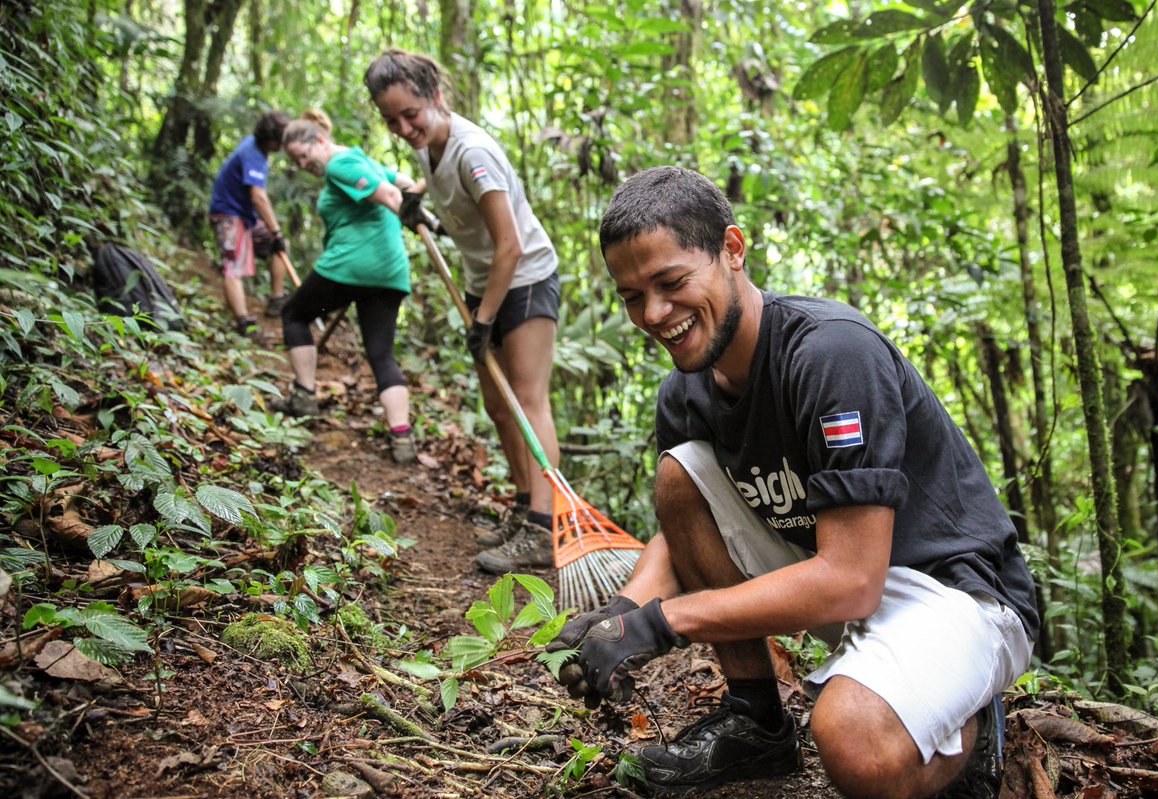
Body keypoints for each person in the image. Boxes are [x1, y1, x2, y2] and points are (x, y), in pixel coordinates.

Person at [549, 166, 1040, 799]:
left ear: (732, 249)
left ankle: (967, 726)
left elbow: (851, 580)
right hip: (834, 571)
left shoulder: (831, 354)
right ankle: (756, 721)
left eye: (671, 283)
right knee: (680, 477)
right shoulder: (685, 394)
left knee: (854, 745)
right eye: (632, 297)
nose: (654, 313)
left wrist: (665, 621)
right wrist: (625, 611)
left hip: (954, 594)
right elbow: (686, 528)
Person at [364, 50, 563, 572]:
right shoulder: (432, 145)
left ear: (435, 97)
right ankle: (523, 509)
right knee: (498, 407)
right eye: (392, 120)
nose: (404, 127)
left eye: (412, 114)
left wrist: (483, 320)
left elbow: (510, 245)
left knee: (527, 402)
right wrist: (416, 200)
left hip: (524, 282)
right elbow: (448, 191)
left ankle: (545, 530)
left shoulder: (476, 152)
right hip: (485, 288)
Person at [271, 110, 418, 465]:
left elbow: (393, 196)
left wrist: (412, 212)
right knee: (381, 353)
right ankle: (402, 439)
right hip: (390, 272)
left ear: (320, 140)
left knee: (294, 313)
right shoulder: (362, 160)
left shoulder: (340, 164)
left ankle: (304, 395)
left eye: (304, 155)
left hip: (349, 266)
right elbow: (408, 183)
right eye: (296, 161)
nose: (303, 164)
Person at [209, 111, 293, 335]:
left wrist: (276, 236)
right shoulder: (253, 154)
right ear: (272, 139)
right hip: (228, 215)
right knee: (233, 265)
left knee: (279, 246)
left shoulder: (258, 150)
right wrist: (275, 230)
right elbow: (258, 197)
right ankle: (243, 322)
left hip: (244, 217)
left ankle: (277, 298)